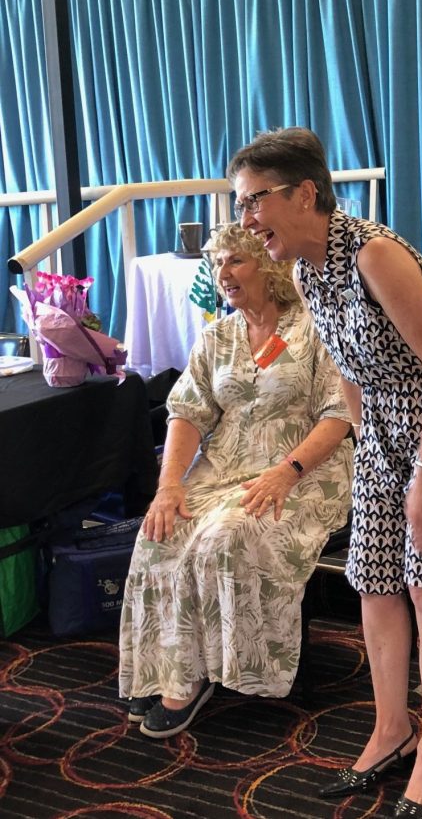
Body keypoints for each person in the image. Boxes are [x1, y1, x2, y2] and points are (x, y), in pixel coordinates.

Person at [228, 127, 422, 816]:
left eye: (253, 202)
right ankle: (392, 729)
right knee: (375, 580)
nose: (245, 221)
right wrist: (369, 456)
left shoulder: (373, 254)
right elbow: (351, 372)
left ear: (306, 194)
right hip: (384, 420)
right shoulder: (304, 269)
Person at [118, 223, 354, 738]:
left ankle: (222, 672)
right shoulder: (217, 337)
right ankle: (171, 668)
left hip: (305, 470)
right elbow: (185, 412)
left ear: (267, 267)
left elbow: (339, 415)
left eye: (234, 261)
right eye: (217, 263)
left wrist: (288, 470)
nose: (222, 274)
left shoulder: (315, 327)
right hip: (222, 467)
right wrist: (170, 486)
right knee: (160, 531)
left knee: (224, 537)